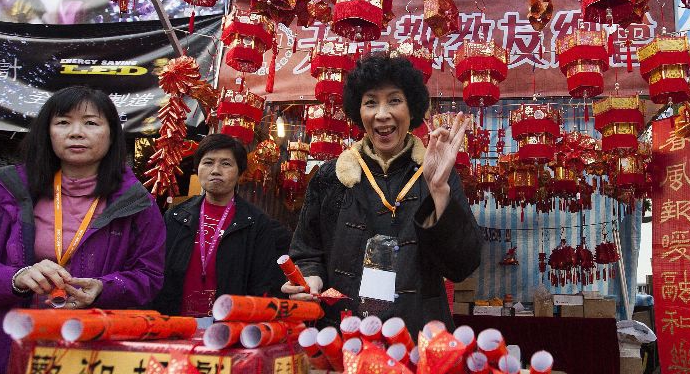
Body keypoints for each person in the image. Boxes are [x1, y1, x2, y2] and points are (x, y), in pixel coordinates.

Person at [0, 86, 164, 374]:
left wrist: (105, 288)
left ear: (112, 135)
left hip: (94, 359)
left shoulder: (137, 203)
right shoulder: (9, 193)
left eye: (91, 123)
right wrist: (15, 278)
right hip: (7, 354)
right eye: (63, 122)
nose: (76, 132)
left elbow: (150, 277)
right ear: (48, 133)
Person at [283, 53, 482, 332]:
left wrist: (438, 191)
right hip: (344, 332)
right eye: (370, 102)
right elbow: (307, 251)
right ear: (358, 112)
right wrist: (310, 278)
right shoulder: (331, 176)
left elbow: (462, 267)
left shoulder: (437, 174)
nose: (382, 113)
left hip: (419, 336)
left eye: (394, 100)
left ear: (411, 109)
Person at [155, 133, 279, 316]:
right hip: (176, 323)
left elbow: (261, 284)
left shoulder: (256, 223)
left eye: (226, 163)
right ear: (197, 168)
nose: (215, 170)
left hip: (229, 326)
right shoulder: (175, 217)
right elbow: (158, 272)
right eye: (208, 162)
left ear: (240, 172)